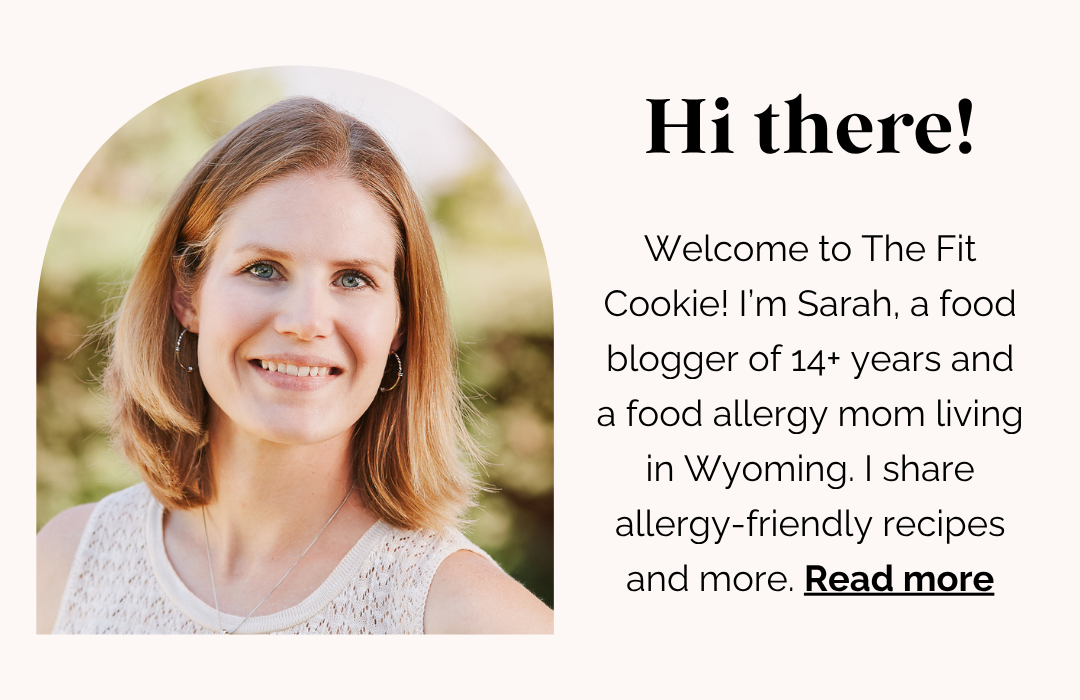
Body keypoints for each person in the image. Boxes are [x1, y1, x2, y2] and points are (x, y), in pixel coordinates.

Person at [36, 97, 554, 634]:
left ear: (399, 324)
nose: (307, 322)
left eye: (353, 278)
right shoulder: (64, 565)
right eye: (263, 269)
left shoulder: (469, 618)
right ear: (187, 295)